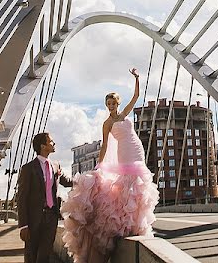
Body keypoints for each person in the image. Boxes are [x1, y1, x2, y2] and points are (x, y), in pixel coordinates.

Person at [61, 68, 160, 263]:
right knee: (128, 184)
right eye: (108, 104)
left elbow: (137, 95)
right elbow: (106, 145)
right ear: (106, 105)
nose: (111, 106)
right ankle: (125, 223)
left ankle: (135, 222)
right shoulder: (107, 123)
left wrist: (137, 78)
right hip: (124, 151)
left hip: (136, 148)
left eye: (113, 103)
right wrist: (99, 164)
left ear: (118, 103)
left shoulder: (124, 114)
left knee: (140, 184)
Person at [17, 131, 73, 263]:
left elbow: (66, 181)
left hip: (51, 217)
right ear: (43, 146)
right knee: (31, 254)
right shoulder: (28, 168)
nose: (54, 144)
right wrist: (23, 225)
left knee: (45, 255)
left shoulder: (55, 166)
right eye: (51, 142)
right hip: (33, 219)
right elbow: (22, 198)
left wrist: (87, 181)